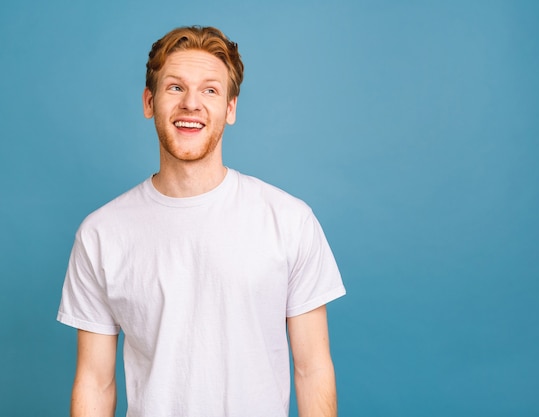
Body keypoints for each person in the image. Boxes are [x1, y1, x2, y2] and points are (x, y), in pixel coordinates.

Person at [57, 25, 345, 417]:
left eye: (210, 90)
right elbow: (95, 381)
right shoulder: (100, 234)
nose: (191, 103)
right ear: (148, 102)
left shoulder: (289, 220)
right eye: (175, 87)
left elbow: (312, 370)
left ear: (230, 108)